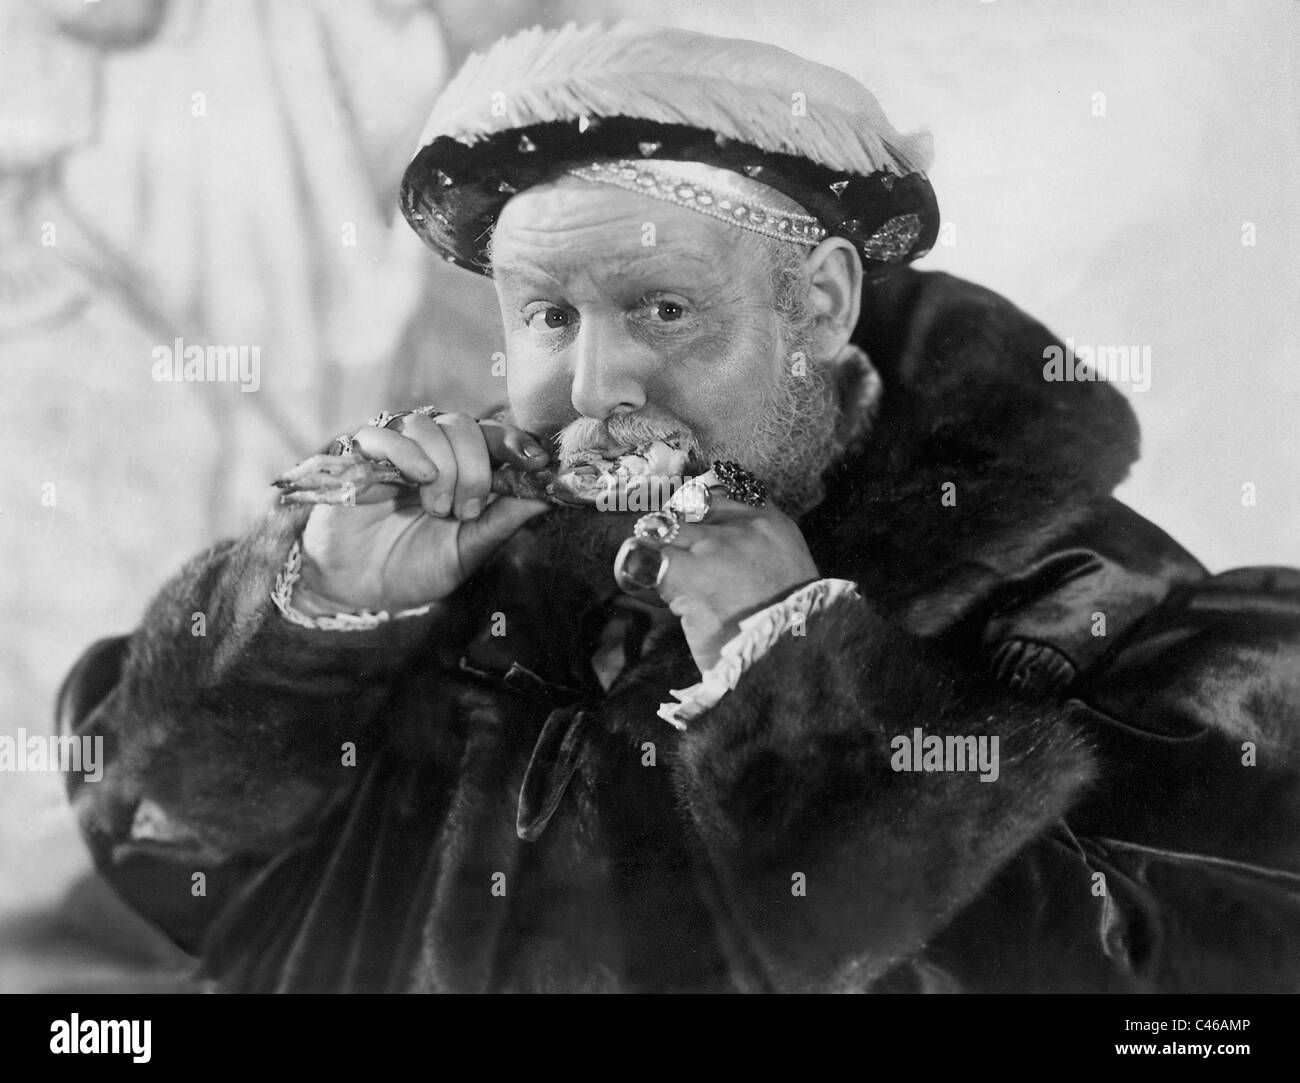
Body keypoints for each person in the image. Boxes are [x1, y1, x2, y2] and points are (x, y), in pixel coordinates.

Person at [60, 22, 1300, 993]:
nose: (595, 387)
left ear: (815, 304)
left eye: (660, 308)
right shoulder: (459, 561)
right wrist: (311, 632)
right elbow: (178, 876)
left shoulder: (1125, 620)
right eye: (548, 316)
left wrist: (803, 688)